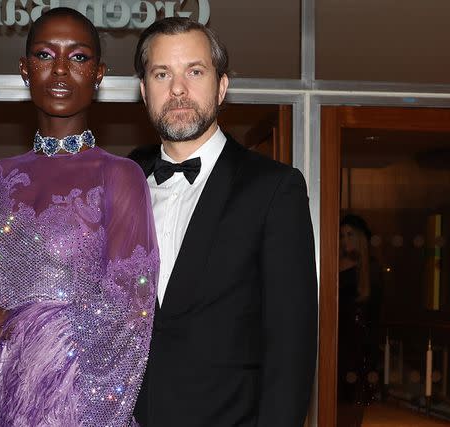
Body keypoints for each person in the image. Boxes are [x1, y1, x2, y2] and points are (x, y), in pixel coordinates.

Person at [0, 8, 158, 426]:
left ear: (98, 73)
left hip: (75, 412)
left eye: (77, 57)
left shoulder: (119, 175)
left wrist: (5, 325)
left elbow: (128, 319)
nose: (59, 70)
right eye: (44, 55)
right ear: (24, 69)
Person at [129, 17, 318, 426]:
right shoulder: (121, 180)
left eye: (194, 71)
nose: (178, 88)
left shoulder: (274, 189)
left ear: (221, 85)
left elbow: (291, 349)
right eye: (162, 74)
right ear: (144, 91)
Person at [338, 214, 382, 410]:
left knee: (353, 406)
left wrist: (372, 358)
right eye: (341, 235)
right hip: (335, 340)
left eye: (349, 234)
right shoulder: (332, 263)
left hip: (357, 345)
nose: (344, 240)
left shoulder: (370, 270)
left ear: (360, 238)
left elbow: (375, 316)